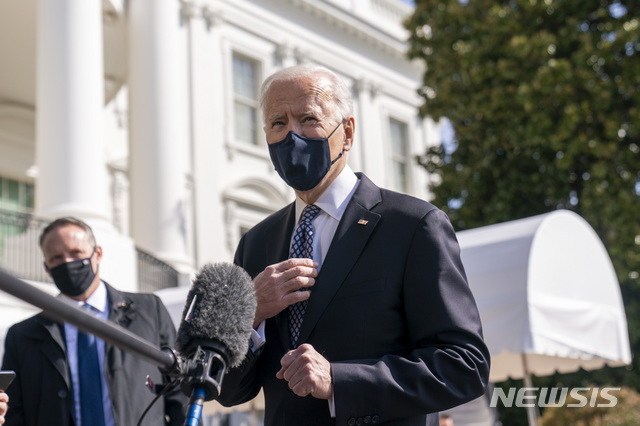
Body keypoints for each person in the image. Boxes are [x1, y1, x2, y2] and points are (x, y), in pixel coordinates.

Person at [217, 64, 491, 425]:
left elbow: (464, 365)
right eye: (278, 123)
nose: (291, 136)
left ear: (346, 132)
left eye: (308, 118)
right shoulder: (256, 243)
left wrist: (340, 382)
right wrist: (249, 315)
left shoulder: (412, 226)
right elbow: (229, 390)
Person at [1, 217, 187, 426]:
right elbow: (13, 414)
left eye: (76, 253)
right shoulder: (23, 336)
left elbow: (181, 392)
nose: (68, 262)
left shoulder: (149, 311)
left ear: (97, 254)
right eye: (57, 257)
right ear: (46, 268)